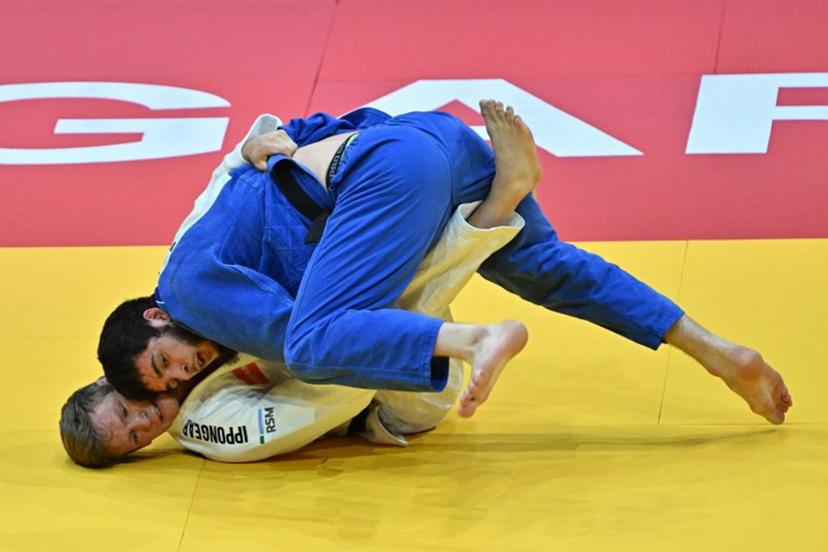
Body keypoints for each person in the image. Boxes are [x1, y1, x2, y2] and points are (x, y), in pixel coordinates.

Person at [98, 101, 792, 424]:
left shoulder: (190, 294)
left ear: (155, 316)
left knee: (314, 343)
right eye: (174, 385)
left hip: (388, 178)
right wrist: (268, 138)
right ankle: (713, 349)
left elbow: (319, 337)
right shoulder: (205, 239)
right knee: (547, 267)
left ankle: (479, 318)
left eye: (164, 363)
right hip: (431, 141)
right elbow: (280, 137)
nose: (184, 374)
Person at [61, 192, 526, 467]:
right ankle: (496, 211)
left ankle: (483, 201)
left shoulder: (168, 326)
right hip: (399, 398)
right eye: (136, 438)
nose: (143, 421)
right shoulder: (211, 427)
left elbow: (205, 222)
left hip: (343, 346)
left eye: (125, 411)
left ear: (108, 380)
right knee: (385, 295)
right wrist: (342, 320)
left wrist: (248, 148)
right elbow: (341, 392)